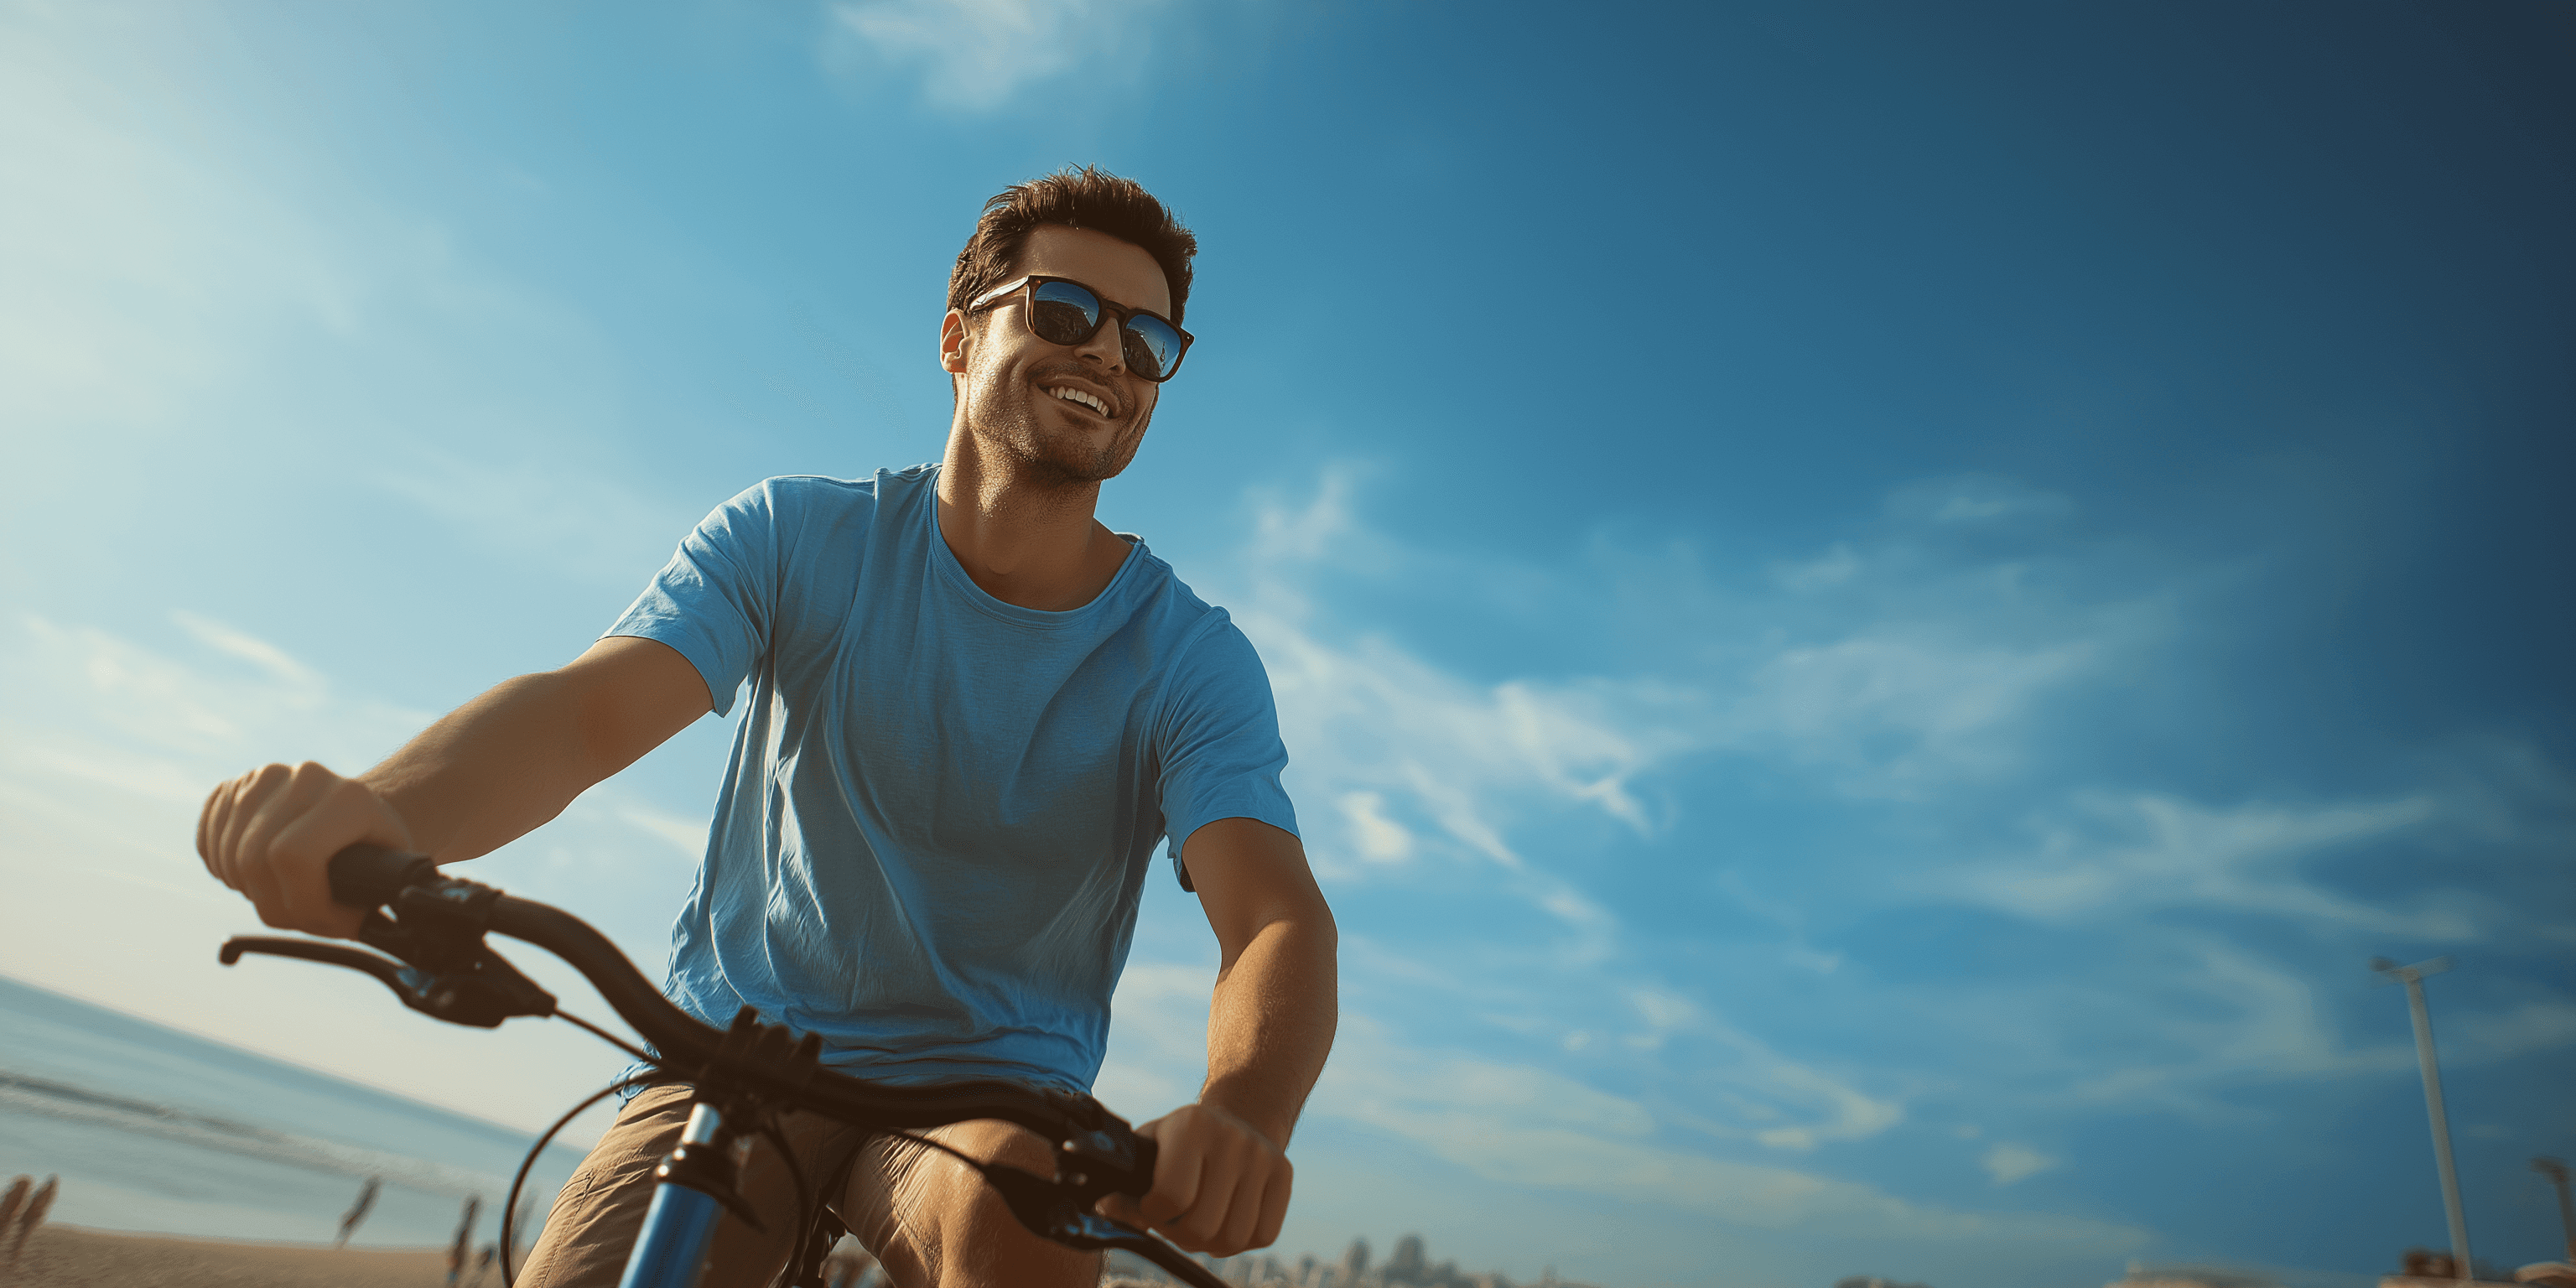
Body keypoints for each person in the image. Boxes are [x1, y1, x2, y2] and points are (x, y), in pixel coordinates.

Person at [194, 167, 1337, 1288]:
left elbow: (1272, 914)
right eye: (1067, 309)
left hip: (991, 1099)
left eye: (1146, 343)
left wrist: (1245, 1112)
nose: (1105, 354)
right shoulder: (796, 538)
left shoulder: (1189, 658)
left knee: (1023, 1209)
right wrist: (385, 816)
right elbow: (586, 715)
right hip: (738, 1057)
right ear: (957, 339)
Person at [336, 1176, 382, 1248]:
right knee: (349, 1225)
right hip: (361, 1209)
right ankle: (340, 1243)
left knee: (348, 1224)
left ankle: (340, 1242)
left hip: (360, 1209)